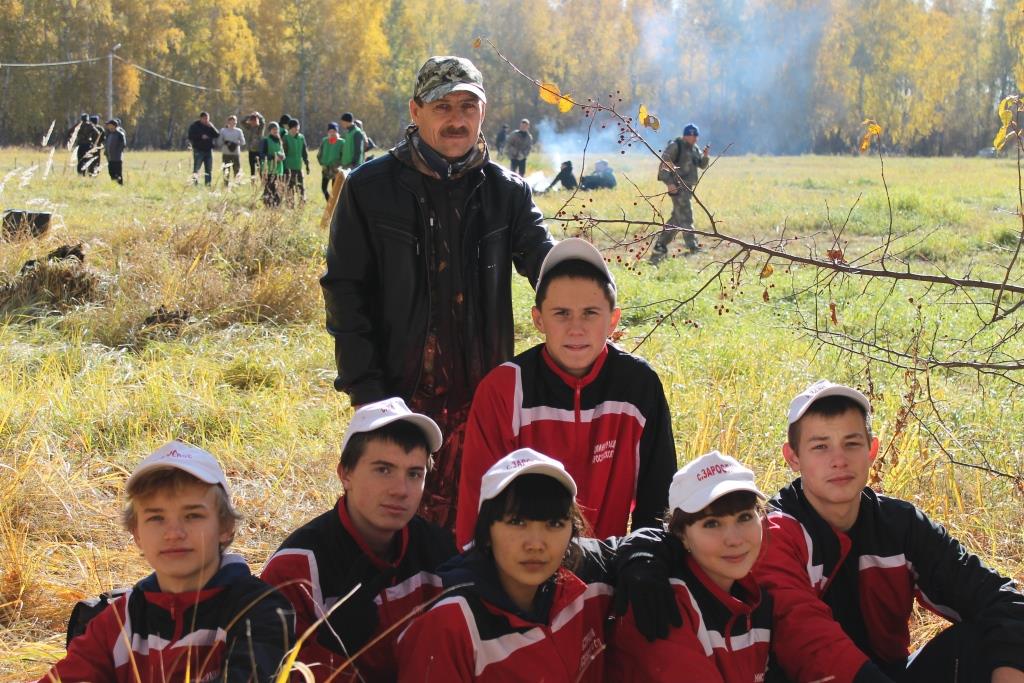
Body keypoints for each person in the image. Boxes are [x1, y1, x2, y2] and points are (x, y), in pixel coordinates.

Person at [320, 55, 555, 529]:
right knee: (395, 521)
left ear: (483, 112)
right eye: (442, 106)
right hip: (400, 391)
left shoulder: (506, 192)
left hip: (481, 394)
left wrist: (588, 294)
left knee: (478, 522)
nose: (456, 119)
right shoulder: (369, 189)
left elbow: (544, 262)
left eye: (468, 107)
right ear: (415, 111)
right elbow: (345, 292)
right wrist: (367, 392)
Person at [757, 380, 1024, 682]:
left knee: (988, 639)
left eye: (851, 443)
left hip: (890, 673)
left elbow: (1002, 600)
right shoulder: (773, 532)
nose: (839, 460)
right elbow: (807, 641)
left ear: (871, 450)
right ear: (793, 457)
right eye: (820, 447)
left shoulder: (900, 524)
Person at [455, 238, 676, 547]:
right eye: (561, 313)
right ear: (538, 319)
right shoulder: (503, 388)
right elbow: (476, 511)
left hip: (607, 566)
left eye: (590, 313)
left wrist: (644, 562)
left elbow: (658, 501)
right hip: (522, 567)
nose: (576, 328)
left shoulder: (639, 384)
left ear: (613, 320)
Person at [40, 441, 292, 683]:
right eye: (156, 518)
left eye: (192, 515)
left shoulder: (262, 610)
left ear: (226, 527)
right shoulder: (121, 619)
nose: (173, 533)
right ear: (136, 534)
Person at [261, 398, 456, 683]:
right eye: (383, 470)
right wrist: (331, 650)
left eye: (414, 474)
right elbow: (266, 673)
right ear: (345, 474)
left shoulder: (442, 551)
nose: (401, 490)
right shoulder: (296, 569)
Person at [396, 449, 612, 682]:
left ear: (573, 533)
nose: (536, 544)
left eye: (554, 523)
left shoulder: (590, 585)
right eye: (517, 522)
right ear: (486, 533)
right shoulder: (449, 627)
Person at [607, 450, 772, 682]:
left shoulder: (761, 592)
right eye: (712, 524)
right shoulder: (663, 601)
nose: (734, 539)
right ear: (681, 535)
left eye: (744, 517)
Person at [650, 123, 709, 263]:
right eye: (691, 135)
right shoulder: (676, 146)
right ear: (685, 135)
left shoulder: (694, 148)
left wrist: (705, 156)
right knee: (686, 215)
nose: (693, 138)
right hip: (678, 186)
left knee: (677, 218)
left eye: (695, 136)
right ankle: (693, 246)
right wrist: (669, 183)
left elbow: (701, 165)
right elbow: (664, 165)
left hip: (688, 187)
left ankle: (660, 245)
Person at [188, 111, 220, 186]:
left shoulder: (209, 126)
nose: (206, 120)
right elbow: (190, 136)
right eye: (205, 118)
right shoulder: (194, 126)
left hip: (208, 150)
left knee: (209, 169)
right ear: (201, 118)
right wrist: (200, 136)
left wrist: (212, 127)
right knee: (196, 168)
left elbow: (217, 135)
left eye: (207, 118)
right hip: (198, 150)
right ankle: (195, 184)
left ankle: (208, 184)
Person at [283, 118, 310, 203]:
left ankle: (302, 205)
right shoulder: (285, 138)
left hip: (298, 166)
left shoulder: (301, 137)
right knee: (289, 188)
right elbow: (283, 153)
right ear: (290, 128)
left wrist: (307, 164)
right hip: (288, 167)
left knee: (301, 188)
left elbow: (304, 152)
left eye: (298, 127)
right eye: (295, 127)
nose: (297, 129)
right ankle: (290, 206)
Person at [317, 122, 345, 201]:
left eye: (334, 131)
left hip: (336, 170)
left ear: (337, 132)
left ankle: (335, 205)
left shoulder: (342, 142)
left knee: (335, 190)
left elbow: (344, 156)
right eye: (330, 131)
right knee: (323, 188)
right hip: (326, 169)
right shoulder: (324, 141)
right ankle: (330, 202)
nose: (332, 133)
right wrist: (322, 163)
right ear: (328, 132)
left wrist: (339, 166)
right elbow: (319, 154)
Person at [260, 121, 285, 207]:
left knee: (278, 190)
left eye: (277, 129)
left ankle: (276, 207)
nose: (275, 131)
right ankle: (267, 206)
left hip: (278, 169)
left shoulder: (279, 141)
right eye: (273, 129)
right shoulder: (265, 140)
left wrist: (282, 157)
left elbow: (282, 152)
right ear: (270, 130)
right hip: (269, 170)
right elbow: (262, 155)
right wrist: (273, 157)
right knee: (269, 189)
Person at [218, 114, 246, 185]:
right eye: (231, 122)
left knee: (236, 170)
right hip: (226, 153)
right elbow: (219, 142)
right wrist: (226, 142)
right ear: (228, 122)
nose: (233, 123)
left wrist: (235, 143)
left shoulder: (239, 131)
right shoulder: (223, 131)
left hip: (235, 154)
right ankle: (226, 184)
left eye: (234, 122)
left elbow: (243, 142)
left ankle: (237, 184)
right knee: (226, 170)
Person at [243, 111, 266, 177]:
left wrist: (258, 115)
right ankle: (253, 181)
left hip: (259, 151)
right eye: (252, 120)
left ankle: (262, 181)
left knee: (260, 169)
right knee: (252, 169)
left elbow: (263, 121)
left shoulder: (260, 128)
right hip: (251, 151)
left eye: (255, 120)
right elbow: (242, 122)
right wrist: (249, 116)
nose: (253, 122)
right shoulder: (249, 127)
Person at [103, 118, 126, 185]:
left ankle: (120, 186)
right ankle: (114, 185)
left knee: (118, 173)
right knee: (111, 172)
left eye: (109, 125)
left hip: (117, 158)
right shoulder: (109, 134)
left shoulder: (120, 134)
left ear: (113, 125)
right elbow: (107, 144)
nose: (108, 126)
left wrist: (117, 152)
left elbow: (123, 144)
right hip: (110, 158)